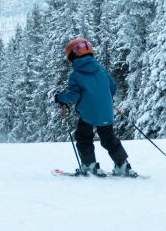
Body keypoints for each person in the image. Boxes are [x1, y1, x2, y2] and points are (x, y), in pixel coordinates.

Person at [54, 38, 137, 177]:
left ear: (73, 56)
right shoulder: (102, 70)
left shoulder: (75, 75)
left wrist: (59, 97)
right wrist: (102, 98)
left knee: (83, 137)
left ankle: (89, 165)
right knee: (109, 139)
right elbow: (113, 87)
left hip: (88, 114)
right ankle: (122, 165)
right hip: (106, 113)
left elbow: (72, 96)